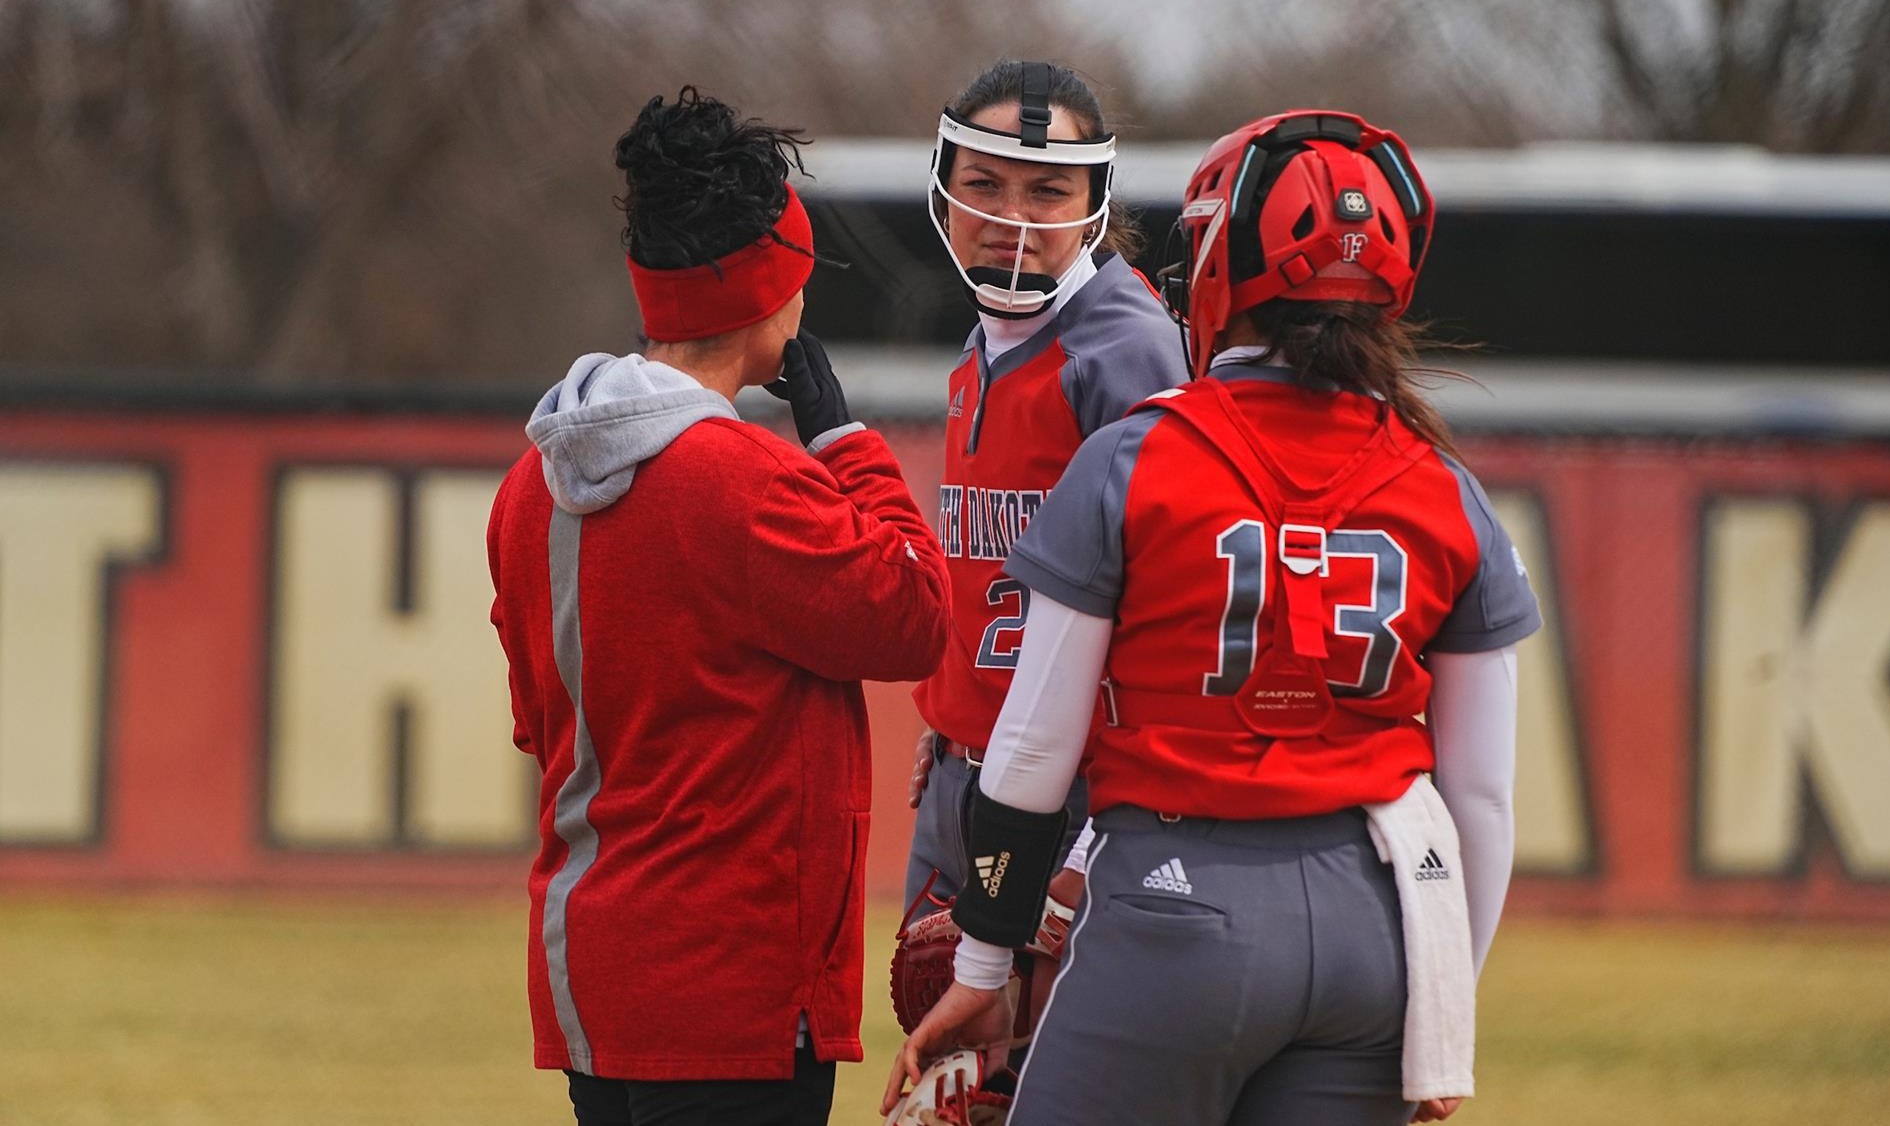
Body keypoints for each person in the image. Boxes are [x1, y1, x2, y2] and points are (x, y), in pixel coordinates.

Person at [884, 109, 1540, 1126]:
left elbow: (1032, 744)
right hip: (1375, 928)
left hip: (1173, 905)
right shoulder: (1445, 485)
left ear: (1220, 263)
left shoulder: (1135, 456)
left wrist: (980, 956)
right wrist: (1440, 1000)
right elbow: (1482, 797)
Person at [486, 88, 950, 1126]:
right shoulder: (745, 479)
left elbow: (537, 722)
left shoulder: (531, 483)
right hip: (733, 994)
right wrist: (843, 443)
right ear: (778, 289)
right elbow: (917, 610)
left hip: (594, 975)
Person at [902, 58, 1186, 922]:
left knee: (1023, 1052)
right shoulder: (987, 337)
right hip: (964, 770)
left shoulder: (1125, 354)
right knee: (943, 1050)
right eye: (984, 183)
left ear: (1092, 206)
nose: (1008, 218)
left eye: (1046, 192)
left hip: (1066, 799)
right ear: (945, 191)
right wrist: (956, 710)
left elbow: (1168, 614)